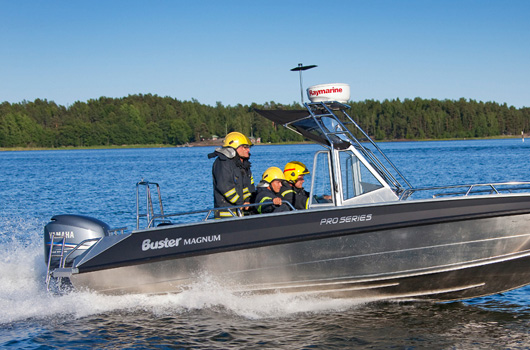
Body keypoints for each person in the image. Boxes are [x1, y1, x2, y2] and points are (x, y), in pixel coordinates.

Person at [208, 132, 255, 218]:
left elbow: (246, 186)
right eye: (245, 147)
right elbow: (225, 187)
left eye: (248, 147)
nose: (248, 150)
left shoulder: (241, 164)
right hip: (225, 214)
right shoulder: (222, 163)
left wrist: (247, 200)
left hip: (240, 212)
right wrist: (240, 202)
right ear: (234, 148)